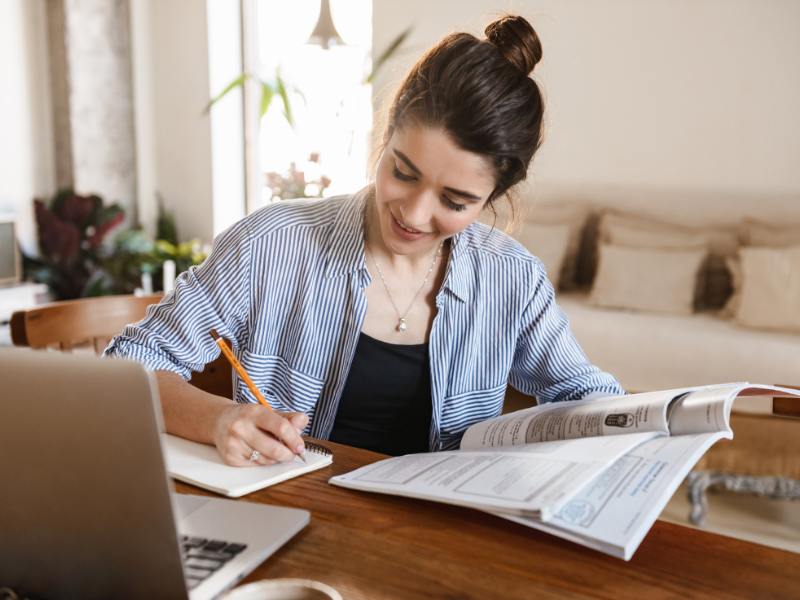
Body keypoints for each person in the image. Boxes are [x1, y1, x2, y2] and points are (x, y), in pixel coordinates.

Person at [105, 15, 623, 465]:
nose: (415, 214)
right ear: (386, 133)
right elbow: (129, 366)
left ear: (493, 197)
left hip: (440, 543)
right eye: (403, 172)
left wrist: (644, 423)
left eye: (455, 201)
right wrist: (220, 420)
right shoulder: (272, 244)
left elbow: (585, 394)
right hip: (296, 517)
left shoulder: (512, 278)